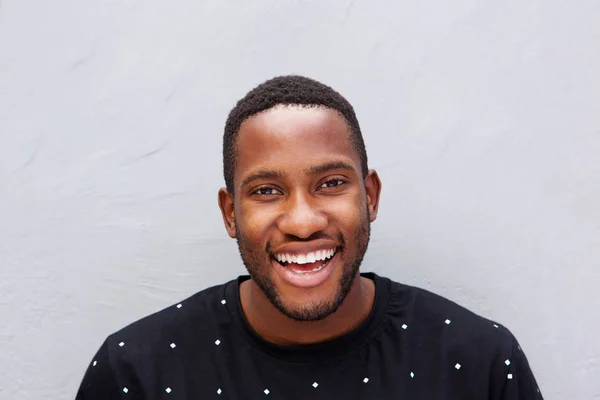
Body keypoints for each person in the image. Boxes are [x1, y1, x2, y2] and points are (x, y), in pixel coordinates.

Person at [76, 75, 542, 399]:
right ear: (230, 213)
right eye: (266, 191)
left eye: (332, 183)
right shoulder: (136, 373)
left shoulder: (479, 363)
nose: (302, 222)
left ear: (371, 196)